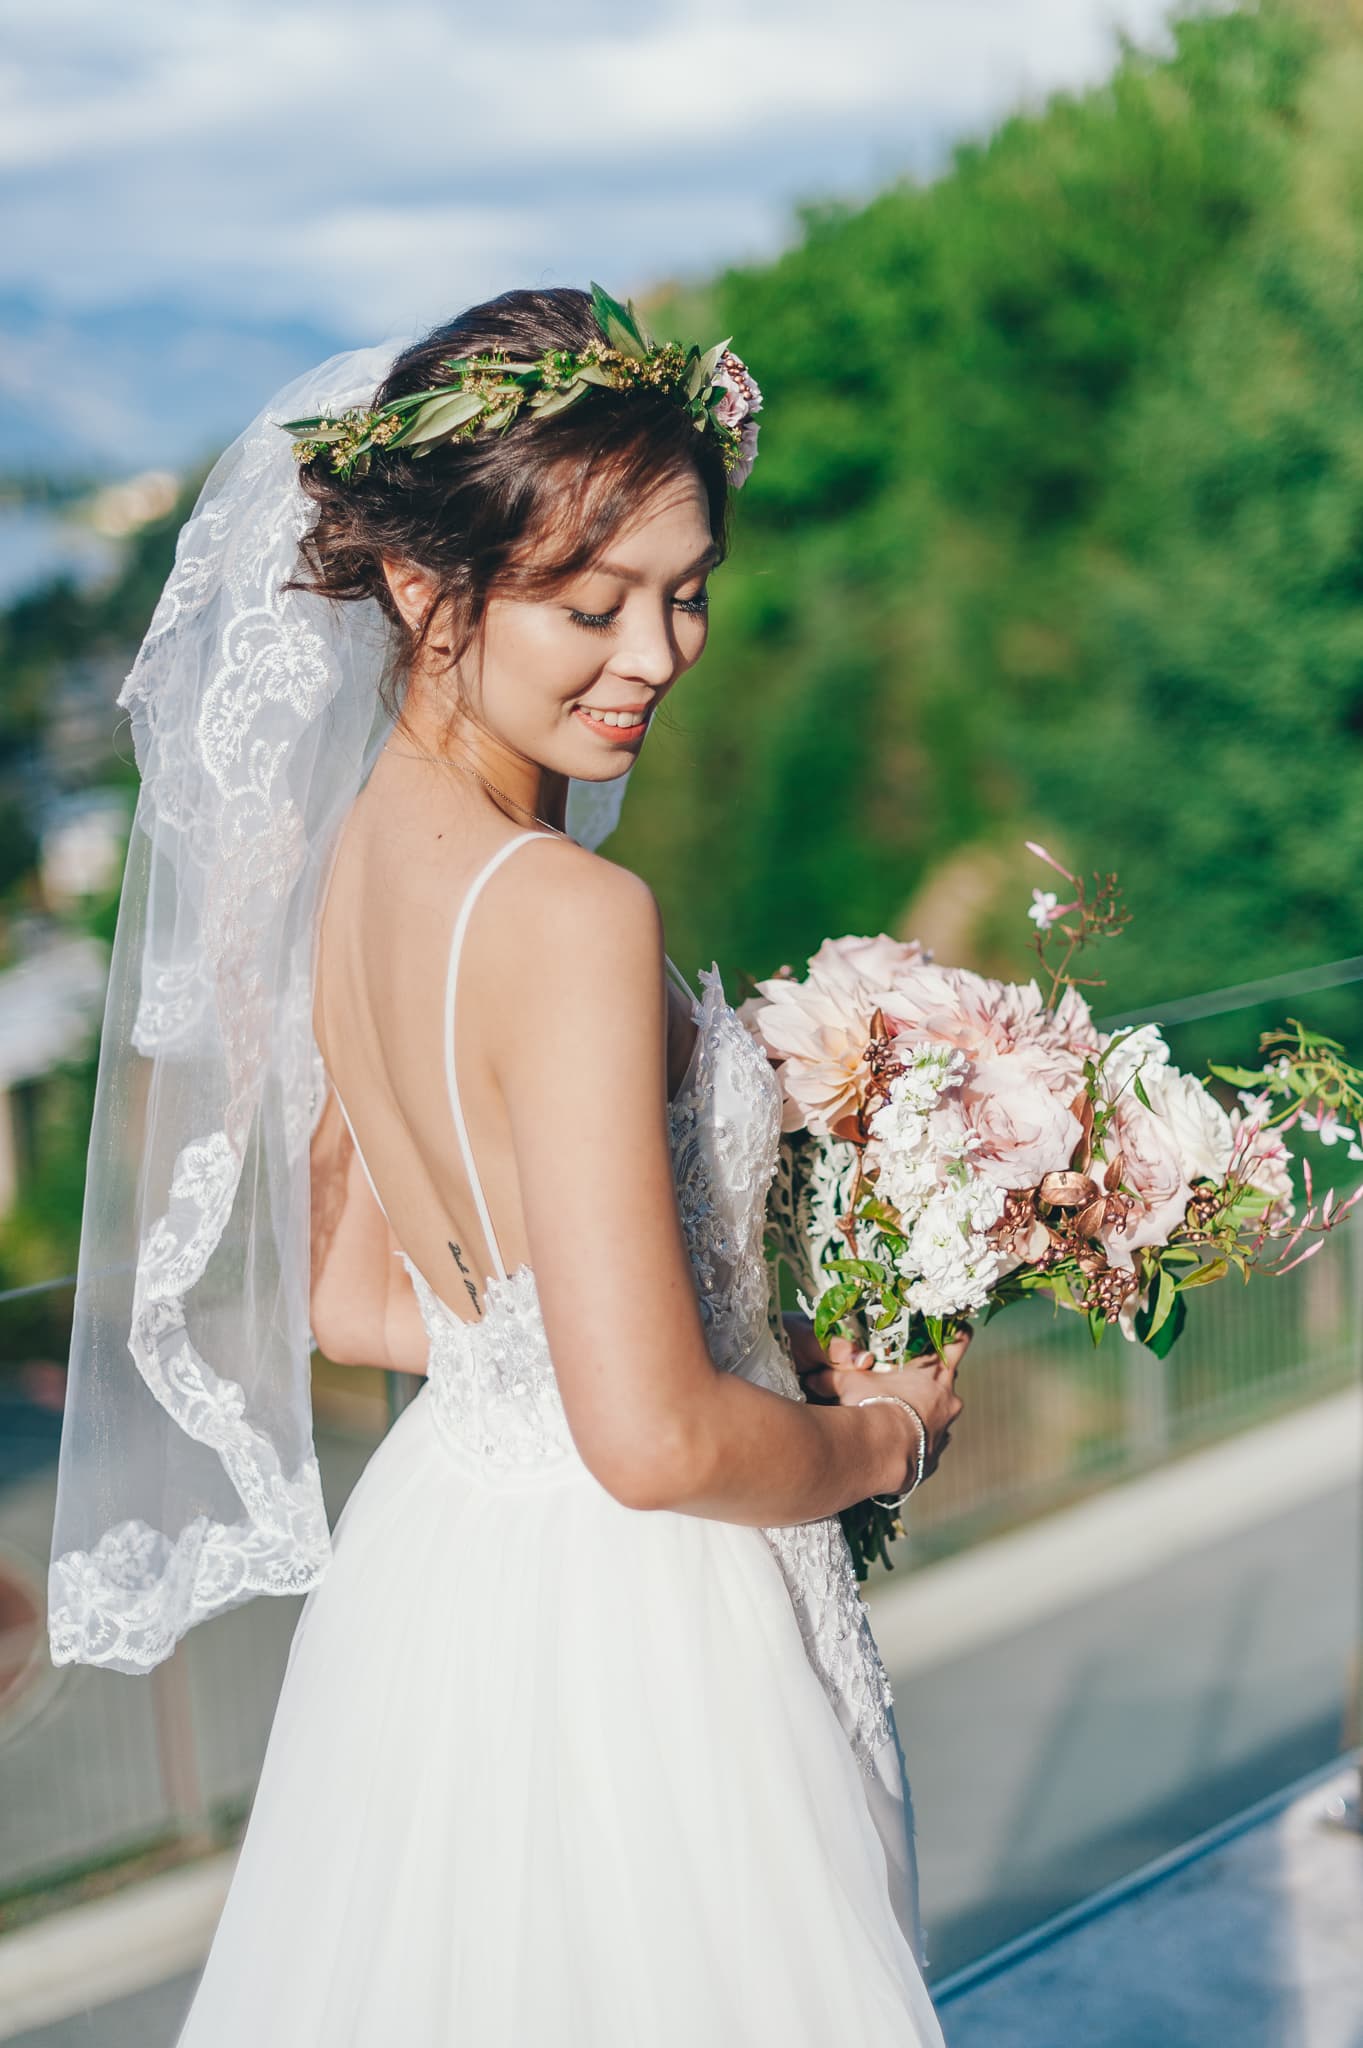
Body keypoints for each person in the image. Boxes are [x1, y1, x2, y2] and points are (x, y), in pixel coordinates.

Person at [49, 282, 965, 2045]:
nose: (657, 653)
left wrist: (641, 1315)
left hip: (451, 1571)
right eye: (588, 601)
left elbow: (353, 1293)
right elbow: (653, 1437)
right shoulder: (565, 915)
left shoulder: (329, 861)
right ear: (421, 583)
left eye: (687, 592)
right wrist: (885, 1430)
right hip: (641, 1626)